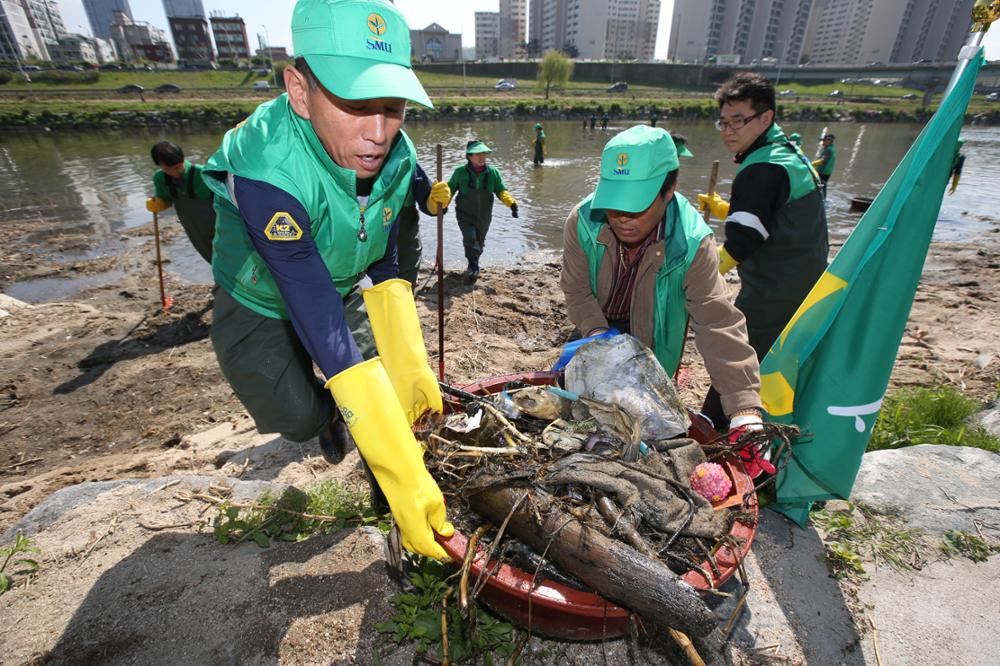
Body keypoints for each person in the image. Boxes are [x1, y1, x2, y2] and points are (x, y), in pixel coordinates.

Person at [200, 0, 454, 561]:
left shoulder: (396, 154)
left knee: (386, 390)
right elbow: (310, 306)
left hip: (336, 282)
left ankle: (392, 508)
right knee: (294, 414)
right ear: (298, 89)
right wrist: (357, 392)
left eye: (394, 107)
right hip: (260, 296)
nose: (379, 132)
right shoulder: (268, 168)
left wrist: (408, 363)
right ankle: (327, 419)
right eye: (357, 106)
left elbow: (386, 257)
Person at [560, 125, 763, 439]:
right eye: (614, 203)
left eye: (637, 204)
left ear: (669, 191)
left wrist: (744, 410)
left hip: (652, 337)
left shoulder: (692, 243)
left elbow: (717, 322)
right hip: (596, 323)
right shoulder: (583, 221)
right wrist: (598, 333)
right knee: (581, 415)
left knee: (641, 425)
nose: (622, 217)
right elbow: (576, 289)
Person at [698, 72, 828, 429]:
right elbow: (771, 216)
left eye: (738, 121)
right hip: (806, 282)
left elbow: (744, 240)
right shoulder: (787, 155)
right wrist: (724, 208)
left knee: (737, 358)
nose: (727, 130)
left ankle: (713, 429)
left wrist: (703, 275)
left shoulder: (761, 169)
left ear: (766, 117)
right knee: (771, 357)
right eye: (723, 122)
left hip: (776, 288)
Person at [445, 139, 518, 278]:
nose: (482, 157)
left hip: (484, 215)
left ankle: (473, 262)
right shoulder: (460, 172)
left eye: (484, 153)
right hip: (464, 214)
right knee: (470, 238)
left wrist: (512, 204)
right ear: (469, 156)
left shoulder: (493, 173)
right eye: (478, 154)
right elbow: (450, 190)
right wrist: (444, 205)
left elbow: (501, 190)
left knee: (480, 241)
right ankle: (473, 265)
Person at [145, 141, 216, 263]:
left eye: (177, 167)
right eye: (167, 169)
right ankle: (221, 279)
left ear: (182, 159)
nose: (174, 173)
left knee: (229, 254)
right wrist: (159, 203)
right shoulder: (160, 178)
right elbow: (166, 200)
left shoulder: (203, 174)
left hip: (218, 222)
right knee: (209, 254)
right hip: (193, 227)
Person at [396, 163, 434, 286]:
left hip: (406, 241)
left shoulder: (410, 164)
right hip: (371, 245)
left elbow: (428, 202)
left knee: (406, 283)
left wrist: (435, 201)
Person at [812, 133, 836, 199]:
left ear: (829, 141)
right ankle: (822, 199)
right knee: (821, 187)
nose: (823, 142)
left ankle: (821, 200)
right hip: (826, 173)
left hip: (823, 173)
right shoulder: (831, 148)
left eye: (824, 141)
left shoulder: (829, 150)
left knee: (820, 187)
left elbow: (823, 161)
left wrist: (811, 164)